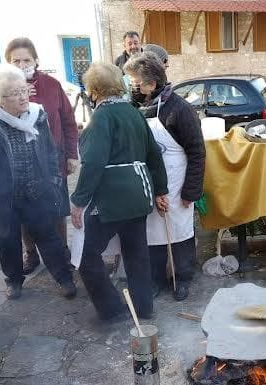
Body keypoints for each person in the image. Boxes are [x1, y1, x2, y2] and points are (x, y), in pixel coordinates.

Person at [0, 64, 77, 300]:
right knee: (6, 240)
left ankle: (64, 278)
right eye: (15, 93)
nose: (23, 96)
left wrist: (53, 181)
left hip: (36, 191)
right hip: (1, 197)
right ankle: (13, 280)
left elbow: (50, 151)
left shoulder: (37, 115)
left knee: (48, 236)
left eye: (24, 89)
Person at [70, 62, 168, 320]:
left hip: (113, 199)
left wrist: (78, 201)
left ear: (93, 90)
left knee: (87, 255)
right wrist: (160, 189)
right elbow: (154, 153)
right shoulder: (133, 112)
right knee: (137, 254)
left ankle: (112, 309)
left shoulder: (101, 116)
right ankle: (144, 308)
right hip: (139, 195)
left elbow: (92, 162)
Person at [125, 52, 205, 301]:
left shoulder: (180, 109)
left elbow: (197, 152)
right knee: (151, 235)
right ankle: (156, 278)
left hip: (177, 183)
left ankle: (183, 278)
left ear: (151, 82)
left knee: (179, 233)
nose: (132, 85)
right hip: (148, 185)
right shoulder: (135, 107)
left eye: (135, 80)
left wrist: (190, 191)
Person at [4, 37, 79, 274]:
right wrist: (18, 95)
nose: (22, 64)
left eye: (26, 59)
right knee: (26, 212)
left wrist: (71, 154)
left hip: (52, 158)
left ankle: (61, 251)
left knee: (57, 208)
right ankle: (31, 253)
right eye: (16, 60)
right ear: (8, 63)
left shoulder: (52, 85)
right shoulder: (1, 88)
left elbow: (68, 121)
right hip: (19, 162)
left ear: (36, 60)